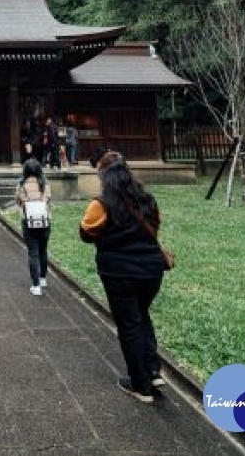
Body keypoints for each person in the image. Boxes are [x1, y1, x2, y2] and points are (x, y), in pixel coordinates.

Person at [80, 151, 167, 403]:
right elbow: (156, 226)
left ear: (105, 177)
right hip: (151, 270)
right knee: (142, 316)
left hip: (119, 272)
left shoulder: (102, 203)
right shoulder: (148, 200)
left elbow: (86, 232)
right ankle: (152, 371)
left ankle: (140, 385)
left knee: (129, 325)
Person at [15, 158, 52, 294]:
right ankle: (42, 278)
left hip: (29, 223)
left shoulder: (21, 185)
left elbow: (18, 202)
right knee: (43, 250)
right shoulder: (44, 184)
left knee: (33, 253)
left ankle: (36, 286)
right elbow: (48, 199)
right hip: (44, 221)